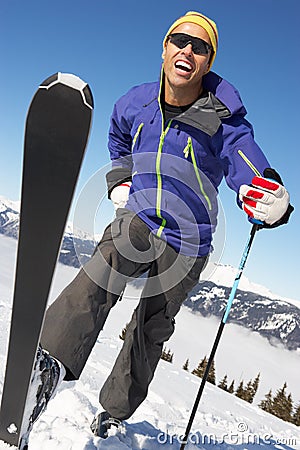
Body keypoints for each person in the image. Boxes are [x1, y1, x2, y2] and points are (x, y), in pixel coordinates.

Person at [27, 10, 293, 439]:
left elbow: (248, 163)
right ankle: (44, 369)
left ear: (208, 62)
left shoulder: (223, 120)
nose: (188, 50)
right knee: (100, 272)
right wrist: (120, 179)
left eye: (200, 46)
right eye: (180, 40)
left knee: (150, 327)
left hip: (189, 241)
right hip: (140, 215)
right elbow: (117, 137)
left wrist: (268, 196)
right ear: (165, 47)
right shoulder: (135, 102)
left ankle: (114, 411)